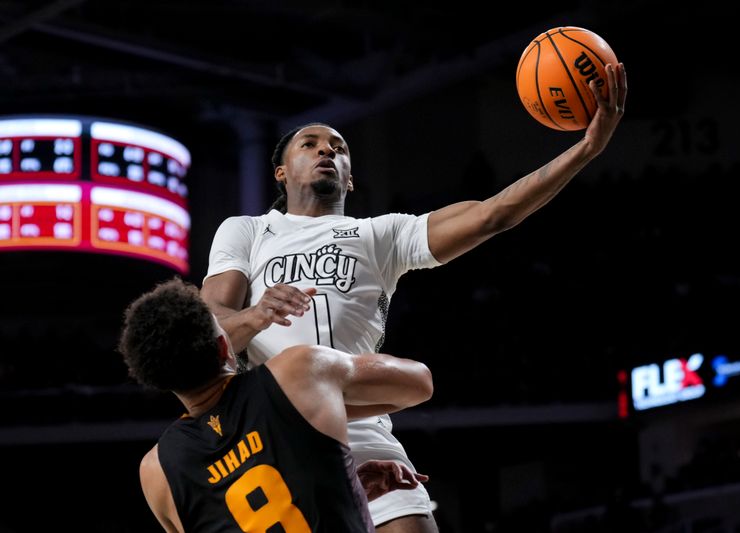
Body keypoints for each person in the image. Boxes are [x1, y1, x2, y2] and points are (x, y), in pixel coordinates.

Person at [201, 63, 627, 531]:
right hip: (271, 433)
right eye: (311, 143)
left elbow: (493, 215)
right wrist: (259, 313)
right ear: (282, 172)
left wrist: (586, 150)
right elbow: (209, 322)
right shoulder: (247, 230)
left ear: (349, 179)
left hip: (359, 426)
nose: (328, 149)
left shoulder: (379, 234)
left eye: (339, 148)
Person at [118, 277, 433, 532]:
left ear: (158, 382)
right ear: (224, 346)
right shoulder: (298, 372)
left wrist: (338, 479)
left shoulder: (156, 472)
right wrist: (323, 422)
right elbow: (420, 384)